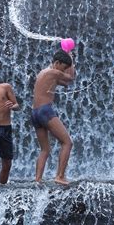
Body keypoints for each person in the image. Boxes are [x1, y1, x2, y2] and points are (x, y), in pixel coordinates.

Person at [32, 50, 75, 185]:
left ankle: (37, 180)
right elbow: (70, 78)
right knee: (67, 142)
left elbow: (64, 83)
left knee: (45, 149)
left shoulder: (44, 73)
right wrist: (72, 60)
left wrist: (66, 68)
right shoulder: (53, 72)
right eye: (63, 68)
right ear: (57, 63)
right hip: (45, 111)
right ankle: (60, 176)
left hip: (35, 113)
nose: (63, 71)